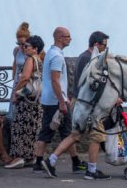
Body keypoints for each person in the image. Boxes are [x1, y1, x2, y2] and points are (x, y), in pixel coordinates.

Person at [40, 30, 111, 180]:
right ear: (97, 44)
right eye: (104, 45)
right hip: (88, 105)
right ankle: (91, 170)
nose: (106, 48)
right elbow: (92, 85)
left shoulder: (83, 56)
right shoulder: (91, 59)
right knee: (97, 135)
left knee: (75, 135)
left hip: (79, 102)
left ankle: (51, 160)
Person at [32, 27, 88, 178]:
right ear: (59, 38)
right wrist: (62, 102)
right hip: (56, 101)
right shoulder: (56, 56)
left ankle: (39, 163)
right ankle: (70, 163)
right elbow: (55, 81)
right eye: (67, 36)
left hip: (49, 99)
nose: (70, 38)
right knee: (67, 132)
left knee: (56, 131)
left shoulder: (51, 53)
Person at [5, 35, 45, 169]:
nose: (24, 48)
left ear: (35, 48)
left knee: (20, 127)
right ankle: (30, 157)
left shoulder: (30, 59)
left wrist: (16, 93)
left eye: (27, 46)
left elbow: (25, 77)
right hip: (35, 100)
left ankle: (18, 158)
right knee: (31, 129)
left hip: (26, 100)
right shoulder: (39, 59)